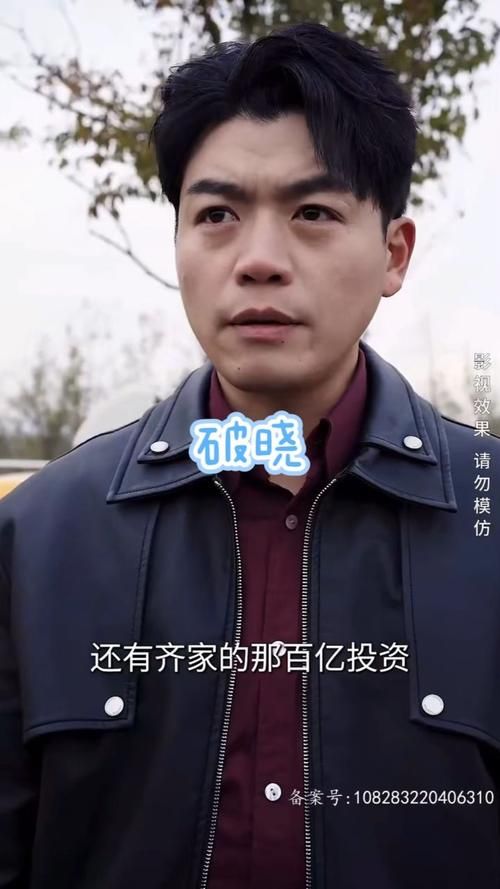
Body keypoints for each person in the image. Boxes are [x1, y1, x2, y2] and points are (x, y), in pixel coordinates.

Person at [1, 20, 499, 889]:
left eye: (313, 213)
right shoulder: (39, 537)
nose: (259, 260)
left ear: (394, 253)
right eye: (218, 215)